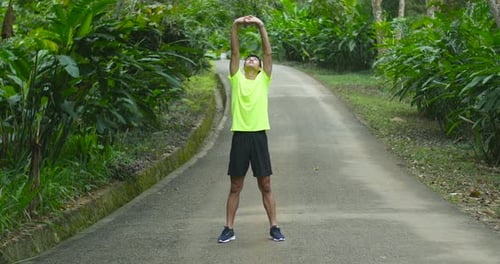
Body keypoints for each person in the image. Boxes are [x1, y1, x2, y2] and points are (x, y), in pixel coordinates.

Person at [217, 15, 285, 243]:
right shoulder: (236, 78)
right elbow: (235, 52)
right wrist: (235, 25)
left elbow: (268, 53)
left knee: (265, 184)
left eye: (255, 60)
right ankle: (229, 228)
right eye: (249, 59)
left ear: (259, 68)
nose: (252, 60)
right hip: (240, 137)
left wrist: (260, 25)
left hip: (258, 137)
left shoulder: (263, 80)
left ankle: (274, 226)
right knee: (235, 185)